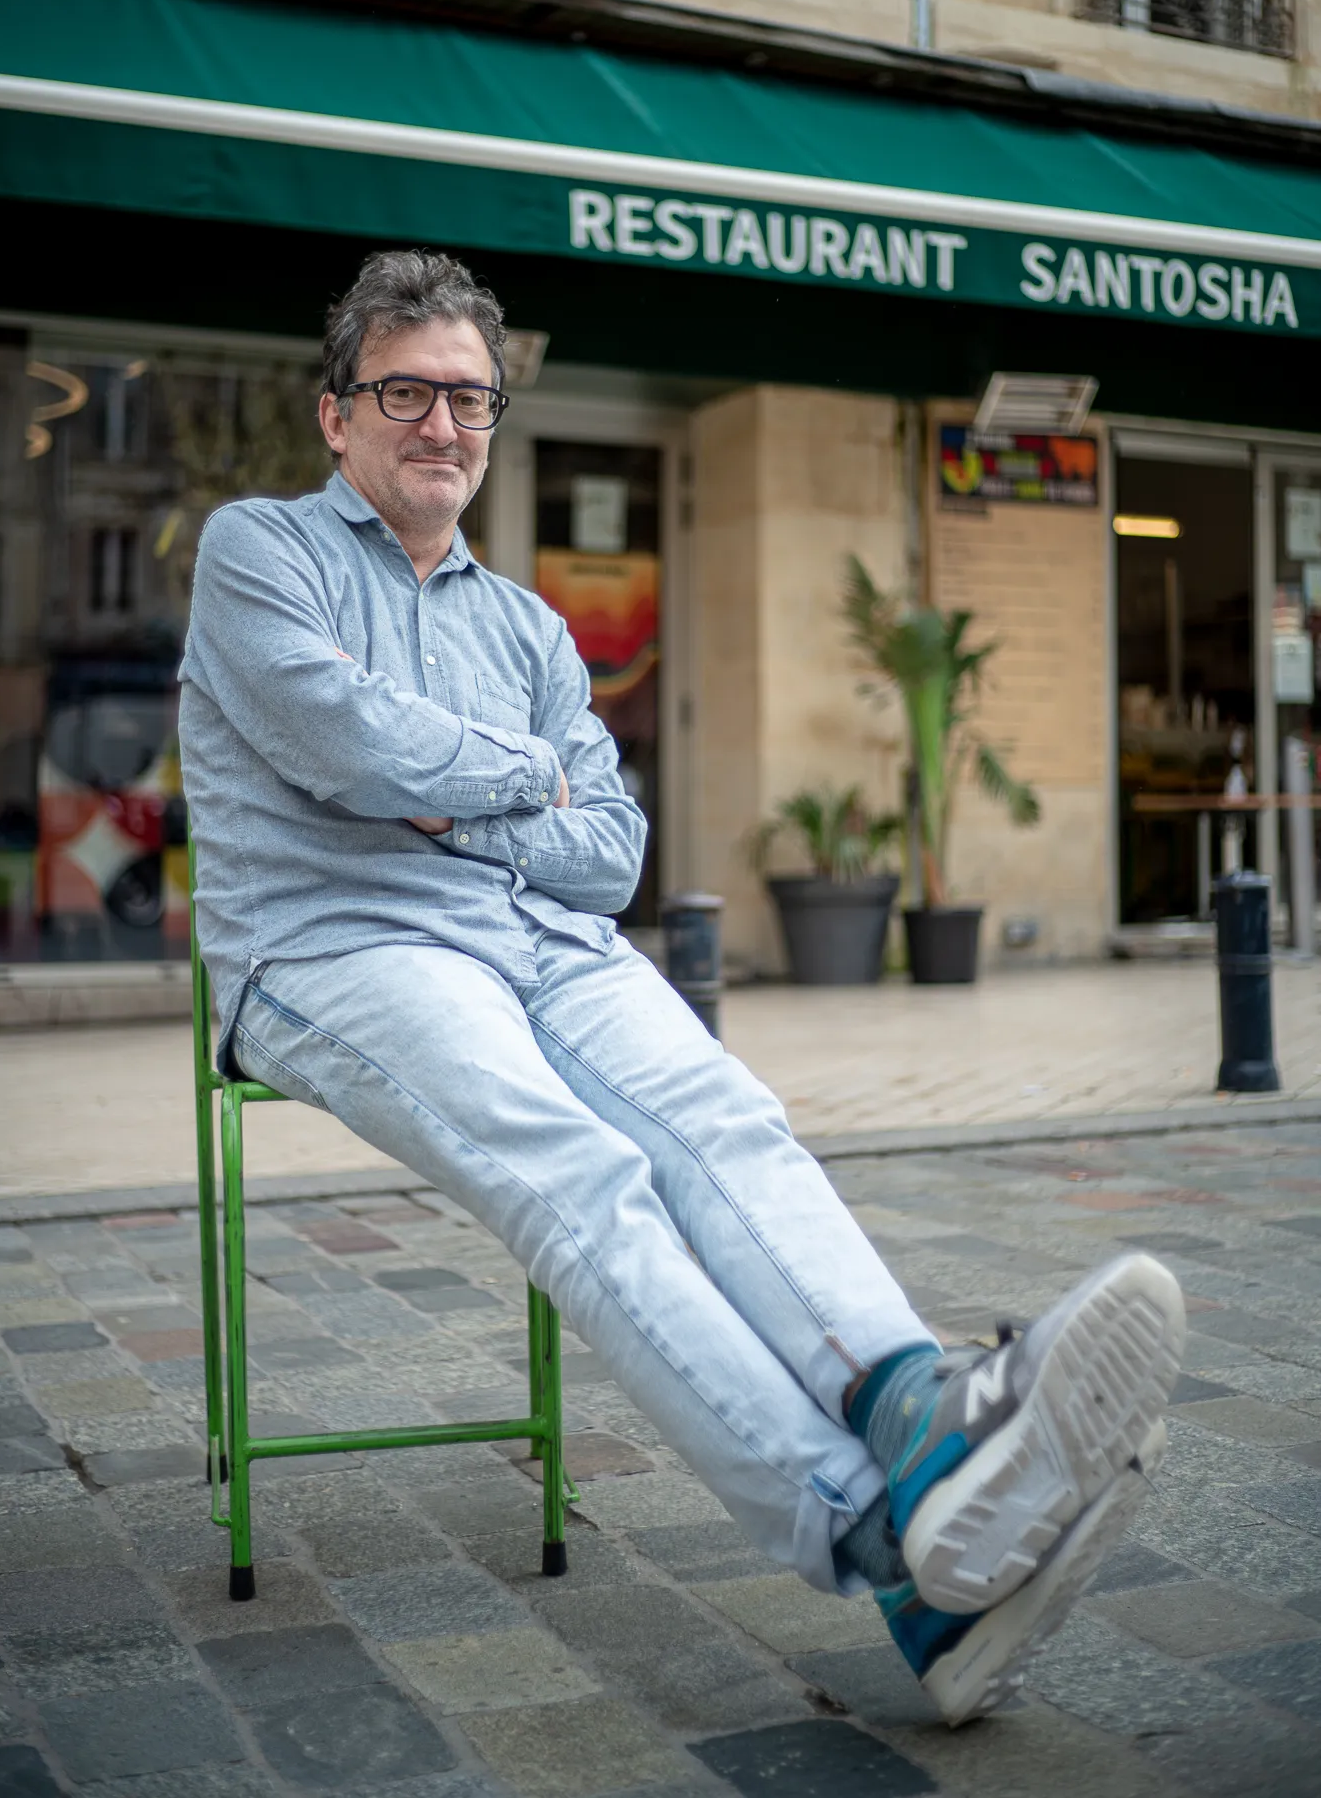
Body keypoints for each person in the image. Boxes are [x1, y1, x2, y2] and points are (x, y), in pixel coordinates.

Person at [180, 250, 1185, 1725]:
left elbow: (608, 857)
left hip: (543, 939)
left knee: (724, 1118)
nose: (440, 425)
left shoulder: (524, 628)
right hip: (338, 943)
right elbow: (349, 747)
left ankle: (915, 1424)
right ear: (338, 415)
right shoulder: (257, 548)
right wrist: (513, 775)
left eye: (469, 398)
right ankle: (874, 1533)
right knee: (577, 1171)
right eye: (404, 392)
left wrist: (455, 794)